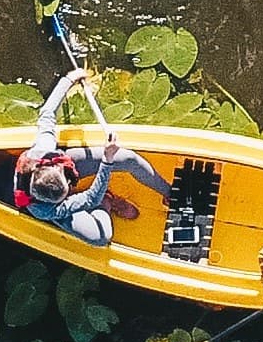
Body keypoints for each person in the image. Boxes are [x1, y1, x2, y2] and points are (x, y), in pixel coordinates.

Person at [12, 70, 173, 246]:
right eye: (67, 192)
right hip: (70, 202)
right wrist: (107, 159)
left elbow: (47, 113)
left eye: (68, 186)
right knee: (100, 238)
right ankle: (107, 201)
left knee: (128, 158)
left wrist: (69, 79)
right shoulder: (44, 209)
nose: (70, 188)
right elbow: (91, 198)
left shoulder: (43, 149)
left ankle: (169, 193)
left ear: (56, 167)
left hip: (68, 164)